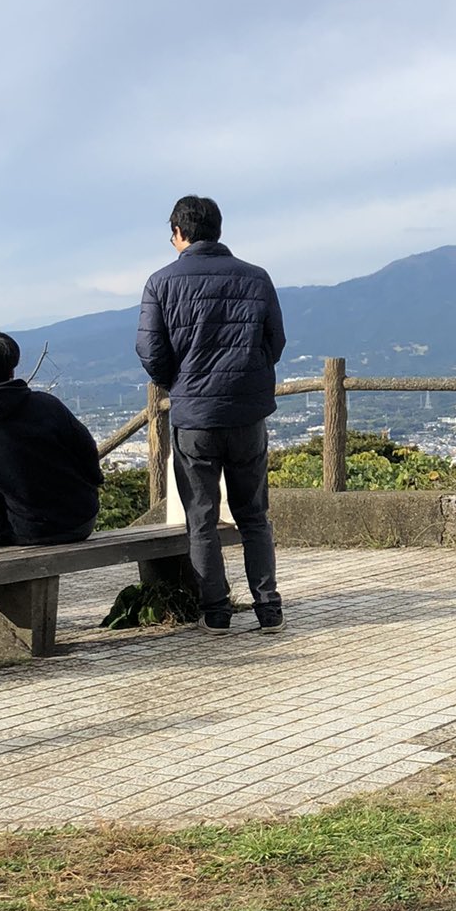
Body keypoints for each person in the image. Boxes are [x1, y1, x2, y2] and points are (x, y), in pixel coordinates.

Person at [137, 194, 286, 633]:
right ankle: (268, 606)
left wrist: (179, 383)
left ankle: (216, 611)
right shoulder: (256, 278)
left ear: (179, 233)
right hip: (247, 413)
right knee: (254, 515)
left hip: (194, 416)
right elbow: (274, 342)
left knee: (200, 516)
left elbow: (150, 350)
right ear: (218, 230)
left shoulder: (160, 283)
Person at [0, 331, 102, 550]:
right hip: (80, 519)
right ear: (12, 367)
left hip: (25, 530)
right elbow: (87, 450)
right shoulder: (47, 405)